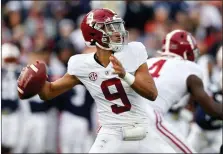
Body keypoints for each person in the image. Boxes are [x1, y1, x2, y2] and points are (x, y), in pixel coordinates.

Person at [19, 9, 183, 153]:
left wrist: (125, 75)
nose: (117, 31)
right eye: (110, 28)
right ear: (93, 35)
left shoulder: (134, 51)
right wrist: (36, 81)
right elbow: (48, 92)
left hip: (143, 130)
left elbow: (152, 93)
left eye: (117, 26)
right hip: (111, 133)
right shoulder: (81, 64)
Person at [146, 29, 223, 153]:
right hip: (150, 117)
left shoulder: (148, 62)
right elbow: (212, 109)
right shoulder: (190, 68)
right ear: (186, 51)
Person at [2, 43, 22, 154]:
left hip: (14, 113)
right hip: (2, 113)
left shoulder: (20, 72)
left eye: (12, 59)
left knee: (12, 143)